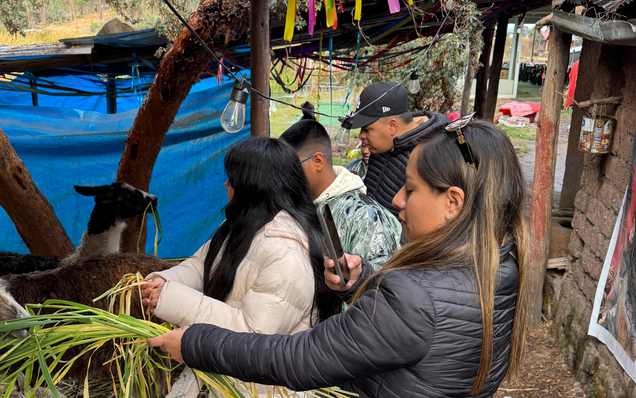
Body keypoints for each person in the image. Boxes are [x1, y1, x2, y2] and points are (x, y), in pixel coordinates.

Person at [148, 118, 529, 398]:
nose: (397, 199)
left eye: (411, 189)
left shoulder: (411, 297)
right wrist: (364, 283)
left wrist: (197, 344)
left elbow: (299, 359)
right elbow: (429, 319)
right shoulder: (500, 267)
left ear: (453, 202)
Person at [142, 137, 341, 397]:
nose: (226, 184)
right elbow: (202, 265)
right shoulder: (242, 225)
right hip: (230, 378)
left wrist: (171, 299)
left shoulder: (286, 252)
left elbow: (253, 336)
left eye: (232, 179)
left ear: (253, 186)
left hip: (264, 389)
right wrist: (165, 281)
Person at [280, 120, 402, 269]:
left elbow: (381, 276)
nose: (285, 176)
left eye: (292, 167)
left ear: (318, 161)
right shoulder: (300, 203)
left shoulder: (363, 215)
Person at [348, 82, 449, 216]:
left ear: (392, 126)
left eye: (367, 129)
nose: (361, 135)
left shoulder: (430, 156)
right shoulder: (381, 147)